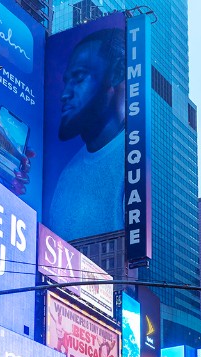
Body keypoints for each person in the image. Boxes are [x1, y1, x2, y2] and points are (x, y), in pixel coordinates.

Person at [47, 26, 127, 240]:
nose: (65, 94)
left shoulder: (137, 161)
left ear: (117, 72)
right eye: (67, 81)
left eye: (79, 77)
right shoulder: (67, 175)